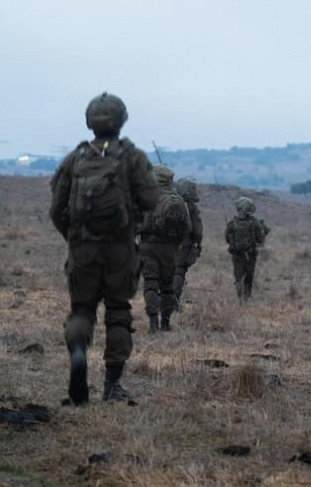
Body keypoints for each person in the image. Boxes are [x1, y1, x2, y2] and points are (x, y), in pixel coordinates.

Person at [49, 92, 159, 405]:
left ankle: (79, 352)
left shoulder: (76, 158)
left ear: (90, 121)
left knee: (82, 309)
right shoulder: (132, 156)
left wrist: (74, 236)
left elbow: (57, 209)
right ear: (121, 120)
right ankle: (112, 384)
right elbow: (152, 199)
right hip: (120, 249)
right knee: (118, 311)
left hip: (82, 247)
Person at [139, 165, 191, 332]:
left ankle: (153, 322)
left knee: (151, 283)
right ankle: (166, 323)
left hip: (147, 247)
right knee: (167, 285)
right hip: (170, 248)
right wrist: (177, 243)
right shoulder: (179, 200)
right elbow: (187, 227)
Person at [225, 196, 266, 302]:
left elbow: (227, 239)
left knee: (238, 275)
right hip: (250, 255)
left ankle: (239, 293)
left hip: (237, 254)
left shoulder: (232, 223)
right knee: (249, 276)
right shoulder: (255, 223)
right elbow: (260, 239)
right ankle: (245, 298)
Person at [172, 178, 203, 311]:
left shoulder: (168, 202)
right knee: (179, 271)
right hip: (185, 244)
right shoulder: (190, 207)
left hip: (167, 243)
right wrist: (197, 244)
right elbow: (197, 230)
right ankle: (174, 302)